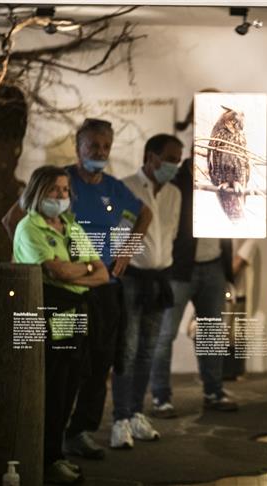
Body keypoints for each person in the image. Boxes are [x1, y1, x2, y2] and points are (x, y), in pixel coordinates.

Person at [3, 118, 152, 459]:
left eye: (105, 147)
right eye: (92, 146)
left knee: (98, 364)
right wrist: (32, 262)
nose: (99, 152)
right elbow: (12, 221)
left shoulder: (114, 189)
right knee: (62, 367)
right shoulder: (57, 181)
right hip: (60, 293)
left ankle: (80, 431)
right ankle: (45, 439)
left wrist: (125, 254)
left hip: (102, 285)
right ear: (78, 148)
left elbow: (144, 215)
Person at [13, 165, 109, 484]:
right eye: (55, 189)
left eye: (65, 190)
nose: (61, 196)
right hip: (48, 311)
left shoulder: (70, 225)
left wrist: (74, 270)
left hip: (76, 311)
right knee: (51, 389)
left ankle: (55, 455)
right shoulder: (30, 228)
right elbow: (58, 273)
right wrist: (80, 270)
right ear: (38, 191)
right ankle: (43, 458)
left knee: (69, 386)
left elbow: (103, 274)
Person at [148, 157, 238, 414]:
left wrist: (227, 268)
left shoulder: (222, 177)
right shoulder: (176, 183)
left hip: (214, 265)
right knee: (165, 334)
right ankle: (160, 397)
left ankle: (213, 392)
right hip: (179, 269)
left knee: (211, 334)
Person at [110, 134, 183, 447]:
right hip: (130, 279)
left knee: (148, 349)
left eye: (178, 160)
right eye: (169, 159)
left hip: (159, 278)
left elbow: (172, 235)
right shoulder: (125, 187)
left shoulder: (175, 194)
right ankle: (120, 419)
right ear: (150, 157)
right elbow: (115, 231)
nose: (174, 166)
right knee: (126, 349)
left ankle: (137, 412)